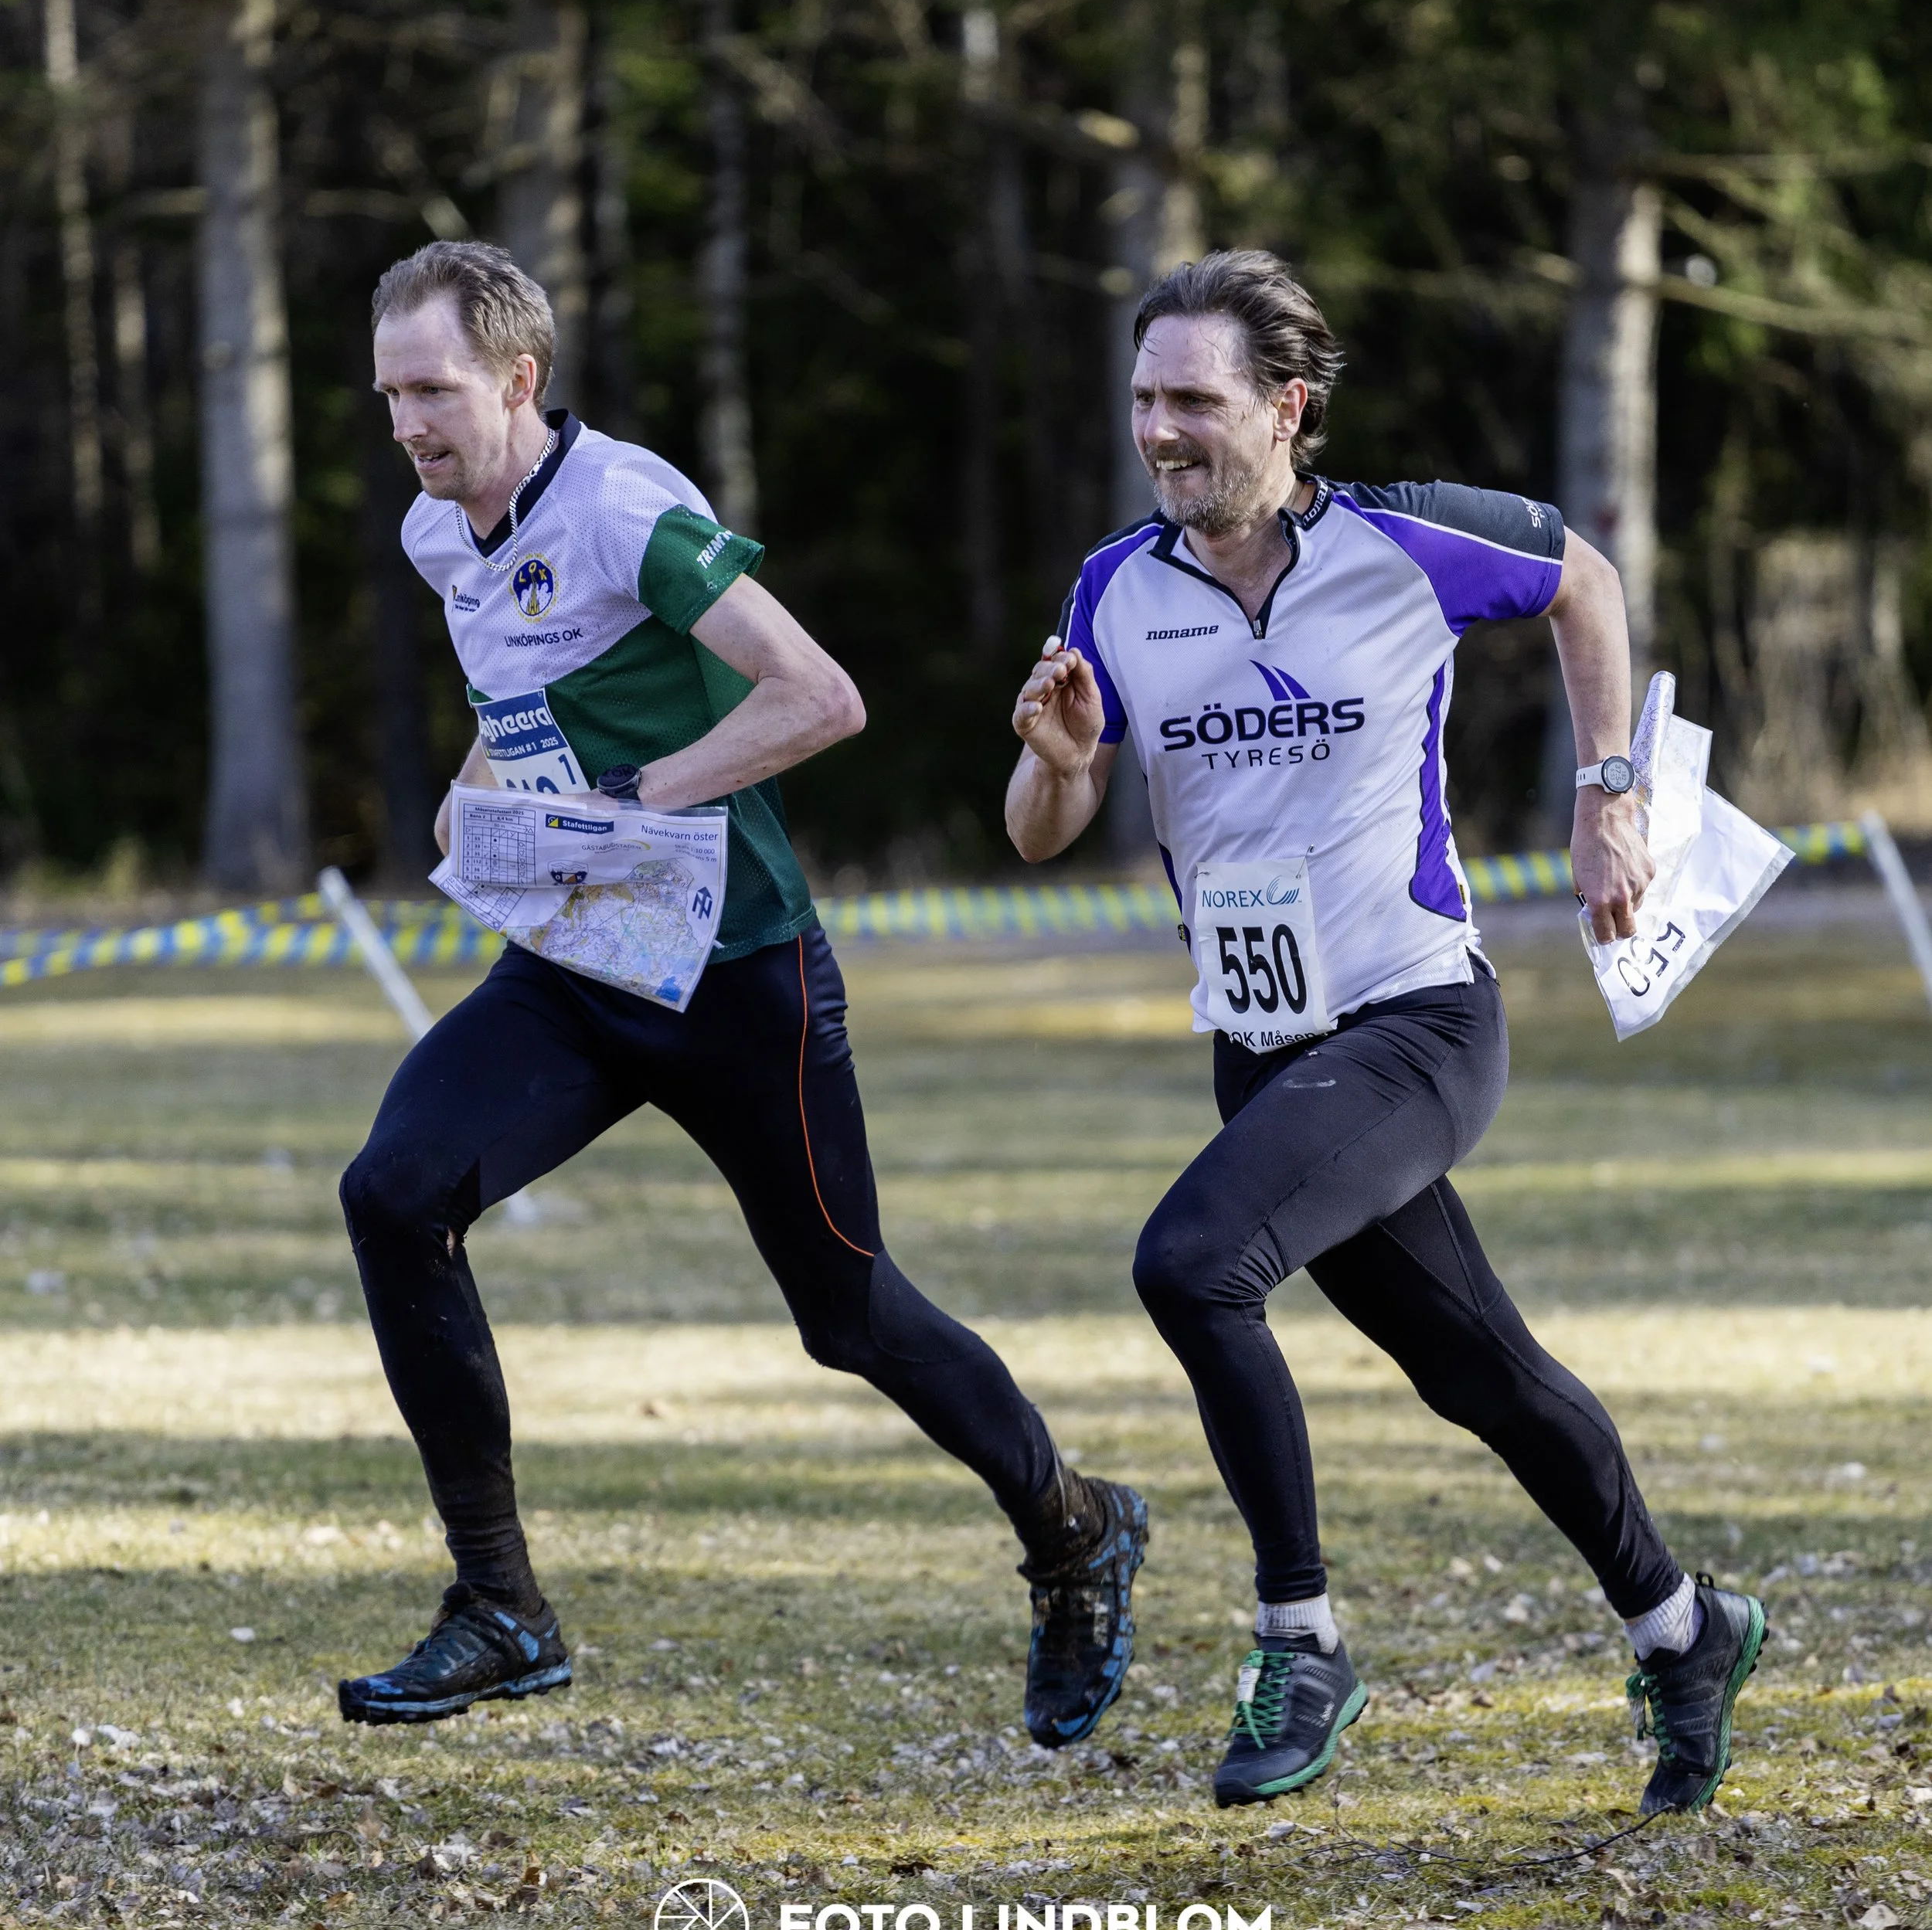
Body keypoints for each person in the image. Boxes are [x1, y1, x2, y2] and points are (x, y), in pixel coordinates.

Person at [336, 239, 1145, 1739]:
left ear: (519, 379)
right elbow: (515, 702)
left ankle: (1074, 1525)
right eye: (388, 393)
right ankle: (500, 1600)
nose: (406, 422)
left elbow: (818, 698)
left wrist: (637, 796)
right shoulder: (438, 532)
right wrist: (477, 799)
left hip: (733, 972)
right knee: (393, 1189)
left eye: (432, 388)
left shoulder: (626, 510)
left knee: (848, 1314)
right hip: (578, 967)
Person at [1005, 248, 1763, 1815]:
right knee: (1480, 1370)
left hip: (1414, 1020)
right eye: (1144, 397)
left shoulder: (1402, 542)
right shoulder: (1111, 589)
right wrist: (1056, 760)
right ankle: (1685, 1625)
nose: (1159, 428)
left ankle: (1300, 1635)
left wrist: (1605, 788)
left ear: (1286, 409)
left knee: (1189, 1261)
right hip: (1265, 1046)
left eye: (1194, 400)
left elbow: (1584, 581)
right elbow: (1042, 822)